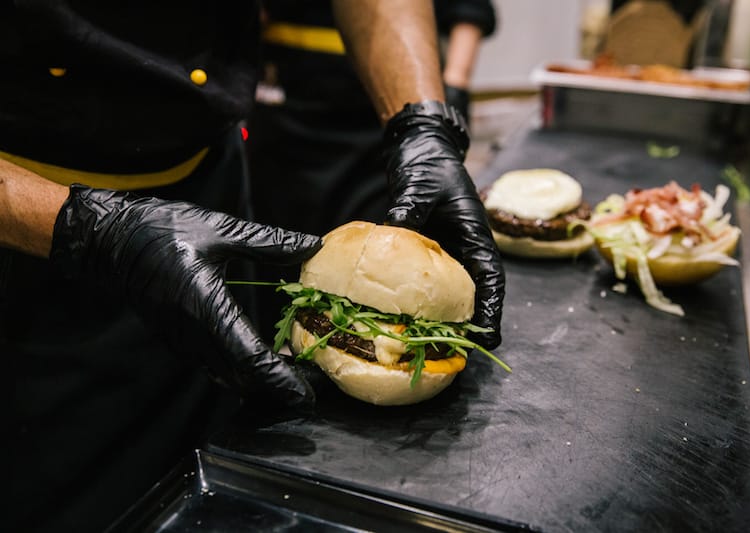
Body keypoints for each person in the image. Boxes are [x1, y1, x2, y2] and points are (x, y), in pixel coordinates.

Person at [1, 1, 505, 532]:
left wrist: (421, 120)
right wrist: (88, 225)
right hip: (27, 239)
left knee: (224, 490)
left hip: (205, 201)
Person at [246, 1, 496, 332]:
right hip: (281, 111)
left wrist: (429, 117)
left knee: (381, 267)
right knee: (268, 278)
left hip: (378, 115)